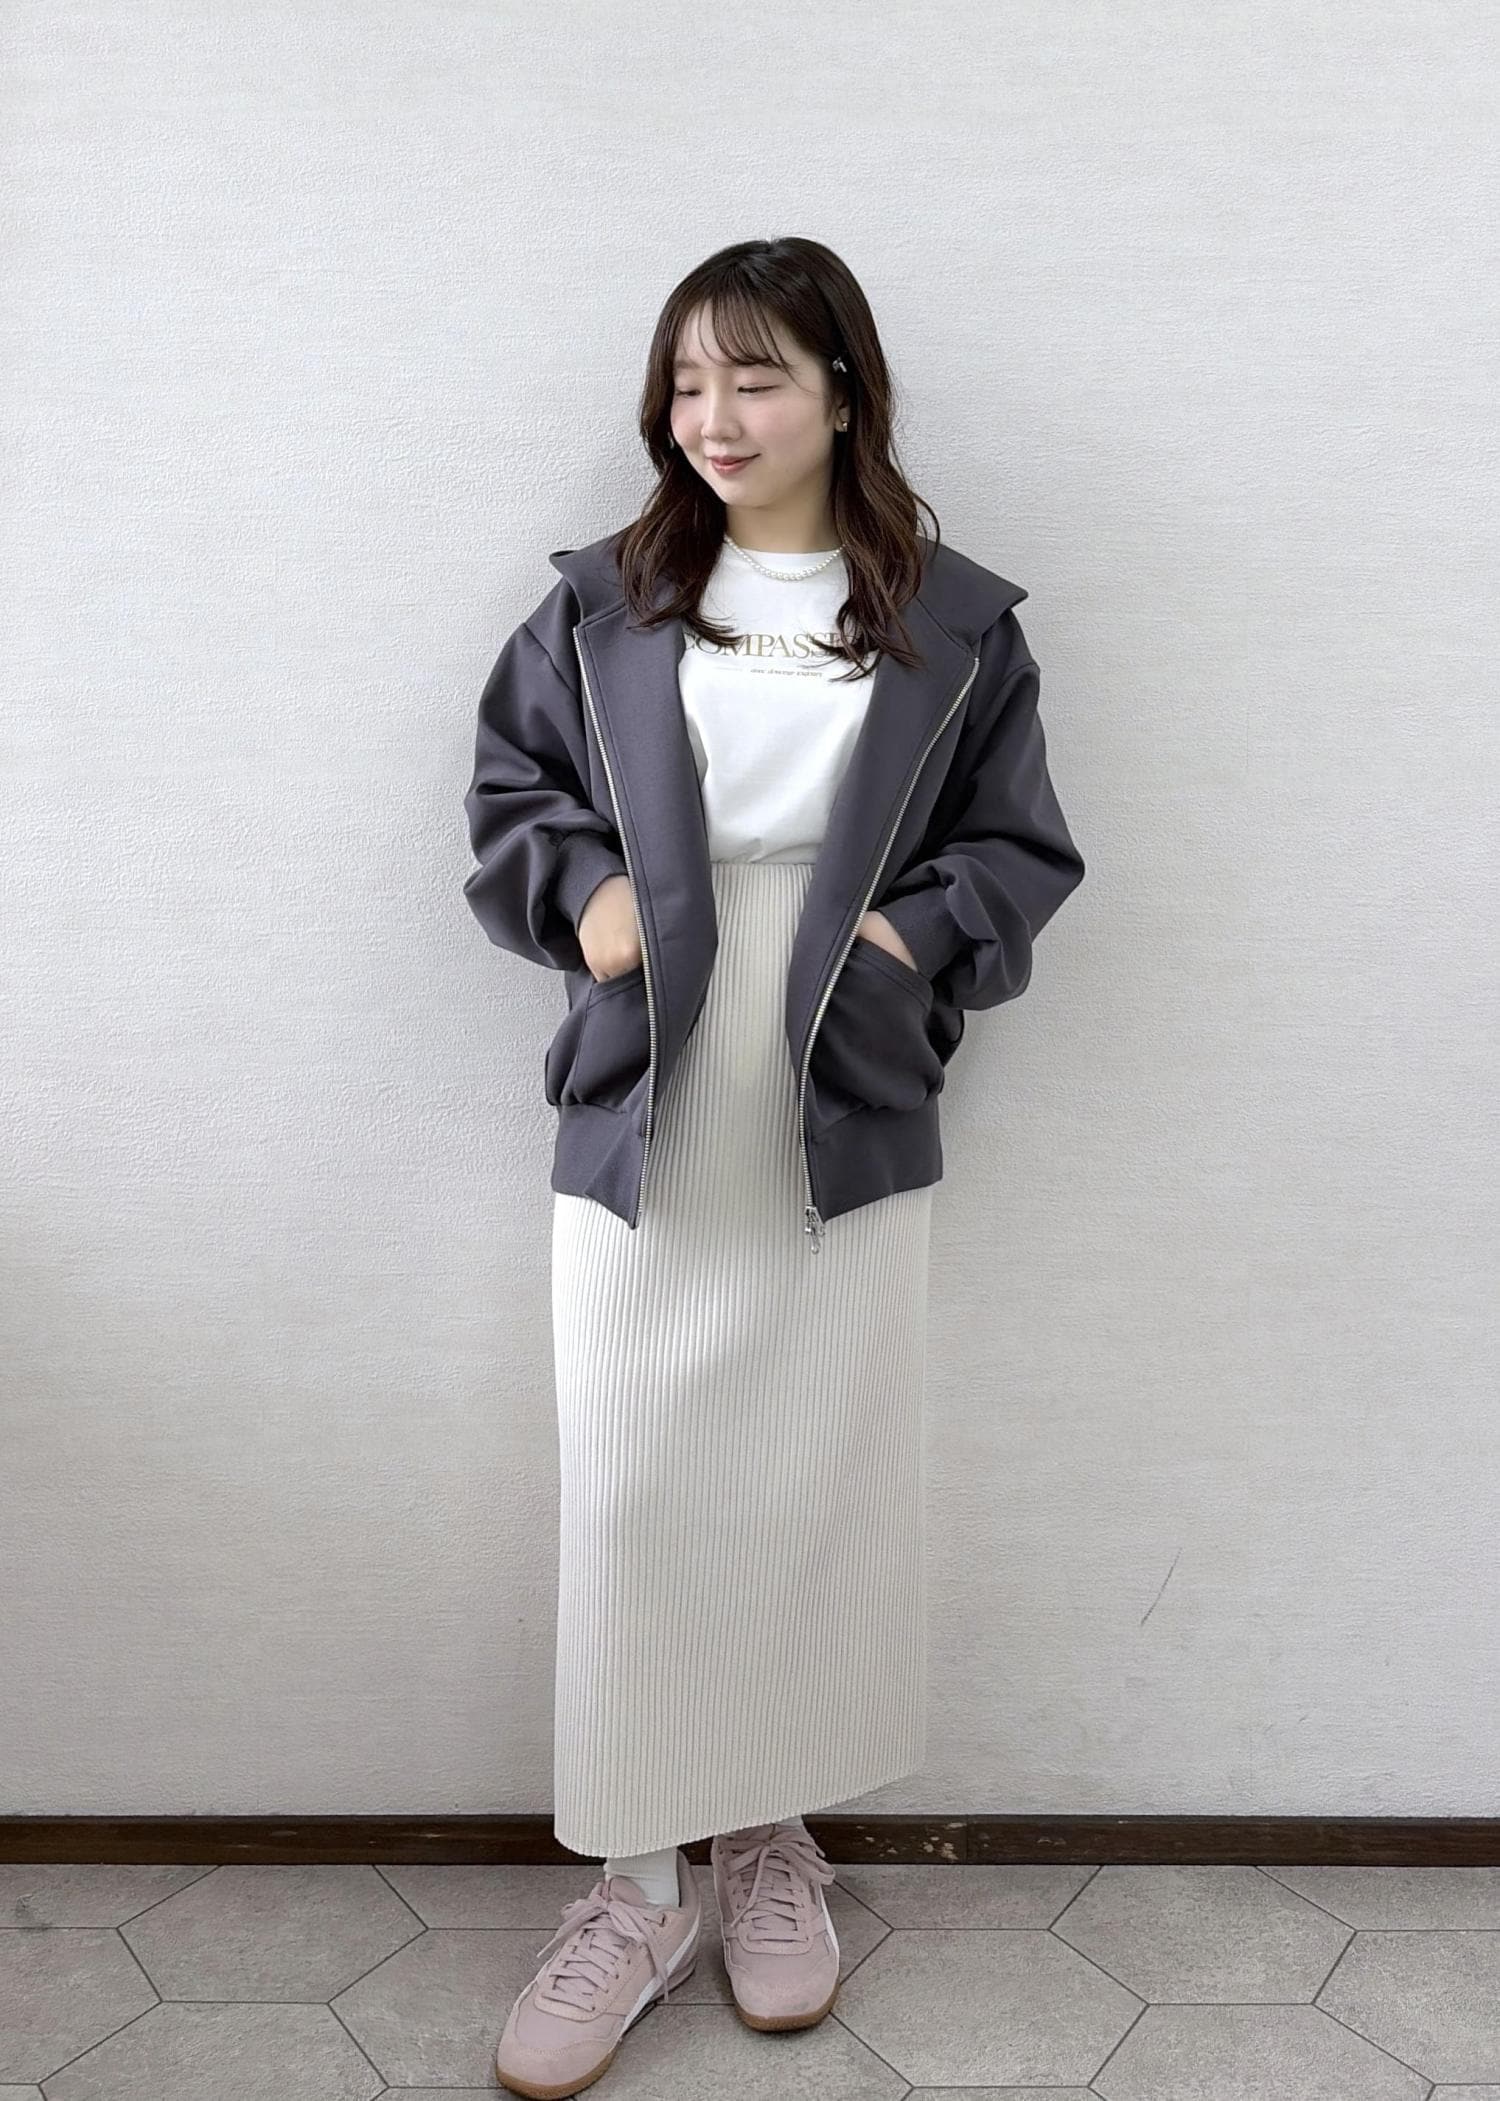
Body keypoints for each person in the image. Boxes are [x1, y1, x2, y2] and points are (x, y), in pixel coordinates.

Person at [461, 235, 1087, 2098]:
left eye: (755, 377)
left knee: (810, 1478)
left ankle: (767, 1845)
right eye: (687, 381)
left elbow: (1017, 851)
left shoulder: (954, 622)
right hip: (648, 1081)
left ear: (841, 391)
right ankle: (633, 1885)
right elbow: (509, 794)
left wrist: (899, 945)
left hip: (839, 1086)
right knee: (638, 1485)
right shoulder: (601, 603)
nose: (714, 417)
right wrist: (588, 900)